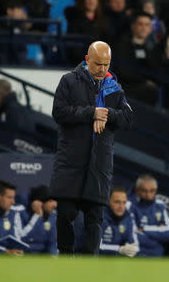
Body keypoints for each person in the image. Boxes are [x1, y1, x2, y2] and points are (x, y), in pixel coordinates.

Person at [50, 41, 133, 255]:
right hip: (71, 162)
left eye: (107, 64)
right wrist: (91, 113)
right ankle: (65, 257)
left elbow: (127, 118)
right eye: (98, 64)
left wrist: (106, 114)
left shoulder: (114, 87)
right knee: (66, 213)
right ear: (87, 60)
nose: (103, 69)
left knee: (94, 218)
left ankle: (90, 266)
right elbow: (59, 112)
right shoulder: (69, 80)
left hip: (99, 165)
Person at [115, 12, 159, 105]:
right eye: (140, 24)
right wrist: (144, 81)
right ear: (133, 26)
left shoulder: (152, 50)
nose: (144, 28)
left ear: (150, 29)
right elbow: (124, 72)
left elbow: (156, 72)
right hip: (126, 89)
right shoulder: (123, 45)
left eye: (147, 25)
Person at [128, 174, 169, 257]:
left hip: (155, 258)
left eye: (152, 190)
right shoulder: (129, 205)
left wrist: (144, 229)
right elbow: (131, 234)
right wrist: (157, 240)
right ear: (137, 190)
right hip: (134, 256)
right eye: (144, 191)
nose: (148, 194)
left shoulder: (160, 205)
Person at [99, 186, 139, 257]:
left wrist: (131, 249)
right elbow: (97, 246)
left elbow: (133, 243)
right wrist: (119, 249)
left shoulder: (128, 217)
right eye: (117, 202)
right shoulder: (99, 218)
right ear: (108, 201)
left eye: (124, 202)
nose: (121, 206)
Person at [20, 185, 58, 255]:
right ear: (38, 202)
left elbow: (52, 243)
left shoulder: (53, 216)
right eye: (50, 201)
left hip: (43, 259)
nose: (55, 205)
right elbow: (22, 238)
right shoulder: (21, 213)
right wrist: (37, 216)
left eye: (55, 201)